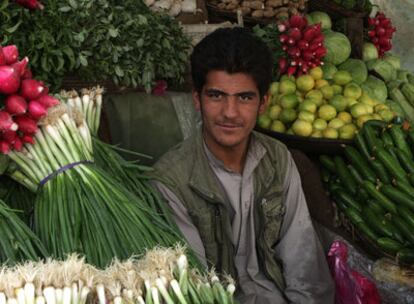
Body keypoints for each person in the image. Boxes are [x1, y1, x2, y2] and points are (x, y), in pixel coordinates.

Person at [151, 27, 334, 303]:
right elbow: (193, 285)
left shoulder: (277, 158)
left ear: (263, 103)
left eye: (245, 97)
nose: (230, 113)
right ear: (196, 99)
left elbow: (302, 258)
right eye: (216, 95)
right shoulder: (170, 180)